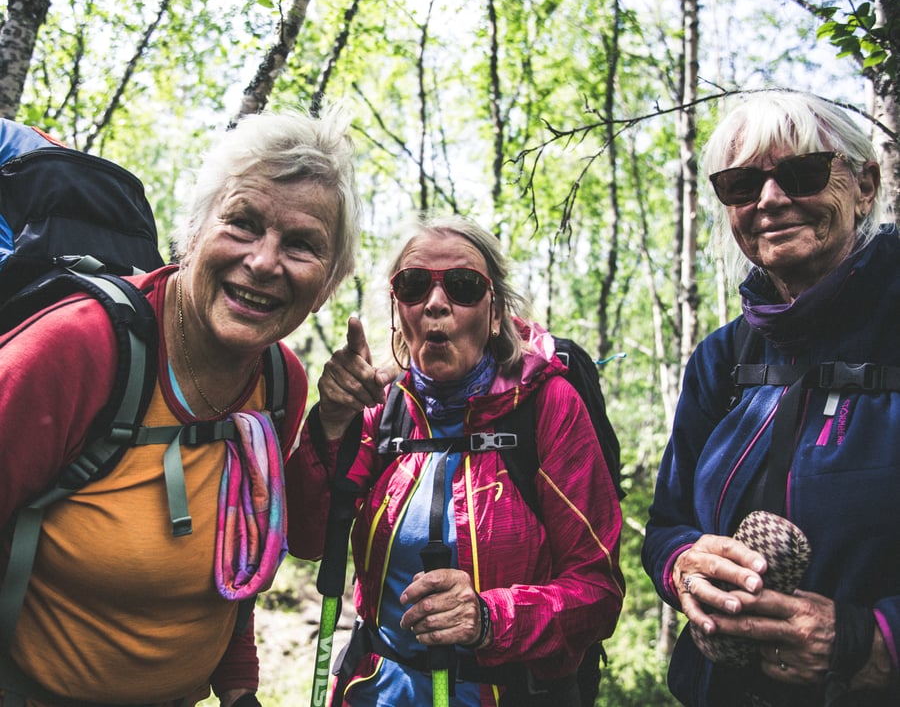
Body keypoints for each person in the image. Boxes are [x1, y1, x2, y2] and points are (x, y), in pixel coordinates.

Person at [0, 105, 361, 706]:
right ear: (192, 234)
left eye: (301, 245)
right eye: (243, 224)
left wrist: (239, 686)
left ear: (326, 284)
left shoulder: (278, 381)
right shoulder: (78, 350)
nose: (265, 261)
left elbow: (240, 546)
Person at [287, 215, 625, 707]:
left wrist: (488, 619)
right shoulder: (384, 408)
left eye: (464, 287)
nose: (437, 303)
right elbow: (308, 537)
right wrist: (332, 421)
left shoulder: (546, 406)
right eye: (414, 284)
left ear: (494, 314)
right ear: (397, 309)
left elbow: (597, 591)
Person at [641, 89, 900, 706]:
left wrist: (876, 641)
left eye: (803, 172)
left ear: (864, 185)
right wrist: (684, 567)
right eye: (741, 184)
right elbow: (666, 527)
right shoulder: (723, 358)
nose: (771, 200)